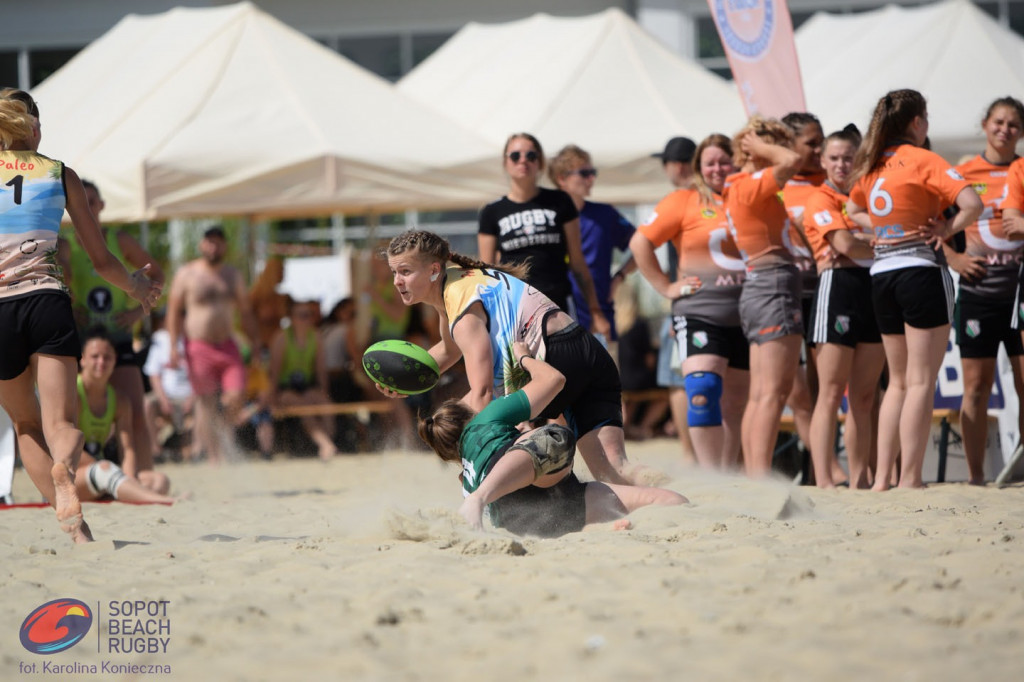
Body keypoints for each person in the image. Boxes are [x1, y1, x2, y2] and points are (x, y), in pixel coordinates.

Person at [0, 89, 160, 543]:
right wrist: (139, 288)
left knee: (25, 425)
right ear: (33, 129)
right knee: (62, 425)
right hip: (46, 300)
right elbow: (101, 260)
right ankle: (66, 468)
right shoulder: (58, 173)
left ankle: (77, 533)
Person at [383, 230, 655, 486]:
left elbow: (482, 392)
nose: (397, 281)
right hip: (587, 351)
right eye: (395, 272)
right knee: (613, 471)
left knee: (483, 432)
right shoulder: (456, 280)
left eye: (405, 272)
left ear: (433, 270)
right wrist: (403, 382)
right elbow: (449, 349)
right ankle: (665, 491)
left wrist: (470, 461)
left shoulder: (461, 305)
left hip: (553, 356)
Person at [846, 89, 982, 490]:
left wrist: (883, 230)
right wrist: (946, 229)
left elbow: (851, 209)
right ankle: (910, 478)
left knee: (899, 382)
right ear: (917, 123)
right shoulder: (925, 159)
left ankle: (882, 479)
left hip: (882, 273)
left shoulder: (871, 165)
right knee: (922, 382)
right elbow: (973, 204)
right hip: (919, 270)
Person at [418, 340, 686, 535]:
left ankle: (599, 528)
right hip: (532, 485)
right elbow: (554, 380)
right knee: (555, 438)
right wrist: (524, 358)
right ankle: (479, 498)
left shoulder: (465, 474)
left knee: (651, 503)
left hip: (526, 518)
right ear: (467, 414)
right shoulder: (483, 419)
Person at [630, 133, 749, 469]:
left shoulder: (747, 198)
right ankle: (711, 475)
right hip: (698, 312)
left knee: (736, 402)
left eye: (724, 161)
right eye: (710, 162)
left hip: (748, 313)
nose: (718, 168)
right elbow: (640, 244)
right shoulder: (683, 200)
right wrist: (666, 287)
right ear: (698, 167)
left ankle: (729, 471)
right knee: (702, 388)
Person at [67, 179, 166, 490]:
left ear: (101, 206)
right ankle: (80, 477)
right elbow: (57, 283)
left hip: (118, 336)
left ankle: (139, 477)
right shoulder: (65, 244)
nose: (87, 207)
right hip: (86, 340)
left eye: (92, 201)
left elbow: (158, 274)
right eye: (81, 202)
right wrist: (70, 307)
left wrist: (140, 310)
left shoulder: (118, 239)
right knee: (70, 415)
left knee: (134, 409)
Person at [945, 97, 1024, 485]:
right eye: (998, 122)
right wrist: (954, 260)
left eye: (1012, 124)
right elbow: (930, 225)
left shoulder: (1023, 170)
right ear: (984, 124)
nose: (1004, 130)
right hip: (978, 294)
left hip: (1020, 295)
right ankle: (976, 479)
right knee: (976, 388)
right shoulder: (963, 171)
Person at [803, 126, 885, 488]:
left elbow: (857, 242)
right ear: (822, 161)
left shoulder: (870, 195)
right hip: (838, 289)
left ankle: (860, 478)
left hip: (874, 288)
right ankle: (823, 479)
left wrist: (870, 240)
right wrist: (883, 240)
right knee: (831, 392)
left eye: (848, 157)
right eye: (833, 158)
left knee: (865, 396)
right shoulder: (819, 198)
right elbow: (846, 245)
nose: (840, 164)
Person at [723, 116, 804, 476]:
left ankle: (755, 474)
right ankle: (759, 476)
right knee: (772, 392)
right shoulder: (750, 183)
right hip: (771, 282)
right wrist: (760, 149)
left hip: (761, 284)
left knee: (763, 393)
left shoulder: (740, 186)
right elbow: (790, 161)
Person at [478, 132, 610, 338]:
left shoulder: (560, 201)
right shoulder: (492, 211)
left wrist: (596, 311)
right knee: (522, 369)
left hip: (558, 304)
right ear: (506, 162)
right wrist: (486, 314)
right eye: (515, 156)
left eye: (531, 156)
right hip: (514, 307)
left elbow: (577, 262)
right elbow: (486, 271)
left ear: (540, 163)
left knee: (567, 367)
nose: (523, 160)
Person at [166, 226, 257, 464]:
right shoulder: (187, 274)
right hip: (198, 346)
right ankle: (215, 457)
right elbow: (174, 311)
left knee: (236, 396)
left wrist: (256, 341)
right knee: (205, 402)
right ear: (202, 245)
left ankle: (224, 436)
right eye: (209, 242)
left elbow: (246, 312)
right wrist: (173, 347)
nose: (213, 247)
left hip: (227, 344)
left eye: (218, 242)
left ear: (224, 246)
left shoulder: (232, 275)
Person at [548, 144, 637, 345]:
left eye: (592, 172)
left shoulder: (605, 214)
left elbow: (644, 245)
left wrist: (619, 277)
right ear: (562, 178)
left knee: (606, 375)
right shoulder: (547, 217)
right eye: (584, 173)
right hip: (559, 314)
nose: (591, 178)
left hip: (601, 316)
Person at [76, 328, 177, 504]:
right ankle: (163, 501)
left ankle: (125, 490)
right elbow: (70, 451)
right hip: (74, 475)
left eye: (107, 357)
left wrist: (128, 478)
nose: (101, 362)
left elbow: (127, 448)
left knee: (160, 480)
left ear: (115, 361)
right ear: (82, 359)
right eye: (95, 356)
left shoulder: (119, 401)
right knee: (105, 470)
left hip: (102, 473)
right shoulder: (73, 393)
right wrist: (111, 474)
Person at [780, 112, 827, 479]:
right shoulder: (775, 182)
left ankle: (823, 467)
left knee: (825, 385)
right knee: (796, 391)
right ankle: (821, 468)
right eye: (810, 142)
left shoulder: (831, 179)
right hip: (783, 295)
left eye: (820, 140)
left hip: (826, 290)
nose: (819, 148)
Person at [648, 136, 701, 462]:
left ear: (677, 164)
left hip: (688, 301)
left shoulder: (681, 199)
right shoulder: (714, 196)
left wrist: (673, 295)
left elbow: (643, 245)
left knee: (679, 381)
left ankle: (691, 454)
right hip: (713, 297)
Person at [266, 299, 337, 460]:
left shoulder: (316, 337)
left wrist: (324, 392)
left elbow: (320, 370)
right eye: (302, 315)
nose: (307, 319)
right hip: (286, 388)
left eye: (309, 315)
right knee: (300, 404)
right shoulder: (281, 339)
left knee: (325, 404)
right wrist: (273, 398)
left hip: (306, 386)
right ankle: (325, 444)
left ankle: (327, 443)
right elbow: (274, 373)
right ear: (291, 318)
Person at [143, 308, 195, 462]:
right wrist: (163, 398)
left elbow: (200, 375)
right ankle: (155, 451)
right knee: (147, 404)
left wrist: (192, 397)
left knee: (205, 403)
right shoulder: (159, 339)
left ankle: (197, 451)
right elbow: (154, 374)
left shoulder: (194, 339)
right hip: (167, 397)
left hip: (190, 396)